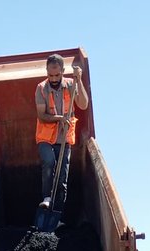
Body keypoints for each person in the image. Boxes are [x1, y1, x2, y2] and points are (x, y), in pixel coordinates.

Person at [35, 54, 89, 212]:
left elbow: (83, 104)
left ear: (63, 71)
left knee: (62, 177)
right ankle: (47, 198)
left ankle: (58, 213)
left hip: (64, 138)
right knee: (49, 163)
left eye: (57, 75)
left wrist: (79, 80)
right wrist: (59, 118)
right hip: (45, 138)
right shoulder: (41, 88)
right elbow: (41, 115)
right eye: (50, 75)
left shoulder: (71, 85)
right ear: (46, 71)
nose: (53, 78)